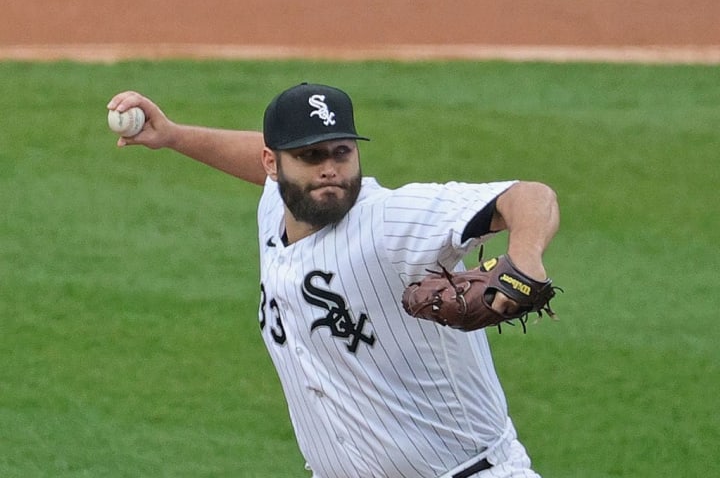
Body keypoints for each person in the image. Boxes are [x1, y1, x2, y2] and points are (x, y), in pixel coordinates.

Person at [107, 82, 560, 478]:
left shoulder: (387, 220)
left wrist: (523, 262)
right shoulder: (278, 209)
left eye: (341, 152)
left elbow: (530, 197)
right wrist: (173, 136)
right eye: (310, 156)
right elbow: (263, 161)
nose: (329, 170)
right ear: (273, 163)